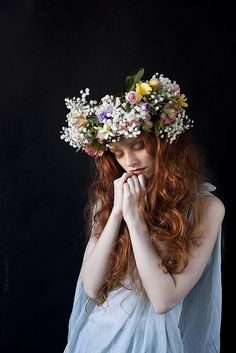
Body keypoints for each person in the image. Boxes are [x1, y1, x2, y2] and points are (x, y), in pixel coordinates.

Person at [60, 68, 225, 353]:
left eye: (139, 146)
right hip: (98, 339)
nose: (130, 161)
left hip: (154, 343)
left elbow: (163, 300)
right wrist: (116, 213)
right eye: (118, 152)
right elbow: (91, 287)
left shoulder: (207, 208)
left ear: (164, 144)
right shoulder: (112, 198)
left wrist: (135, 220)